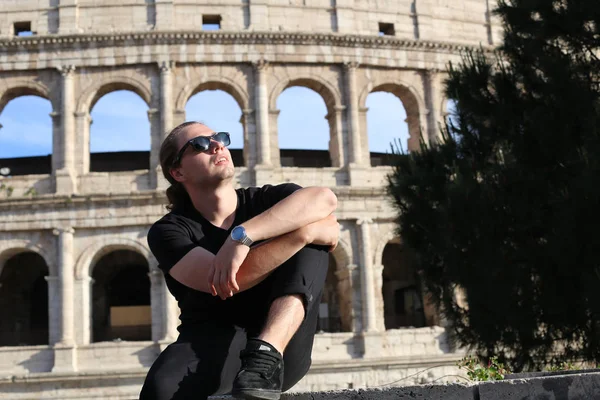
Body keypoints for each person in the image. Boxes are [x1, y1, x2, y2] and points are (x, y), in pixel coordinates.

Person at [139, 121, 340, 400]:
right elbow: (224, 281)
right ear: (177, 171)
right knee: (160, 390)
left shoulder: (266, 200)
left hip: (284, 342)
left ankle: (265, 355)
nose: (217, 145)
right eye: (200, 144)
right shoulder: (169, 231)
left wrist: (241, 237)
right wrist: (301, 235)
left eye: (220, 138)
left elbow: (325, 199)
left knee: (307, 236)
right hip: (212, 342)